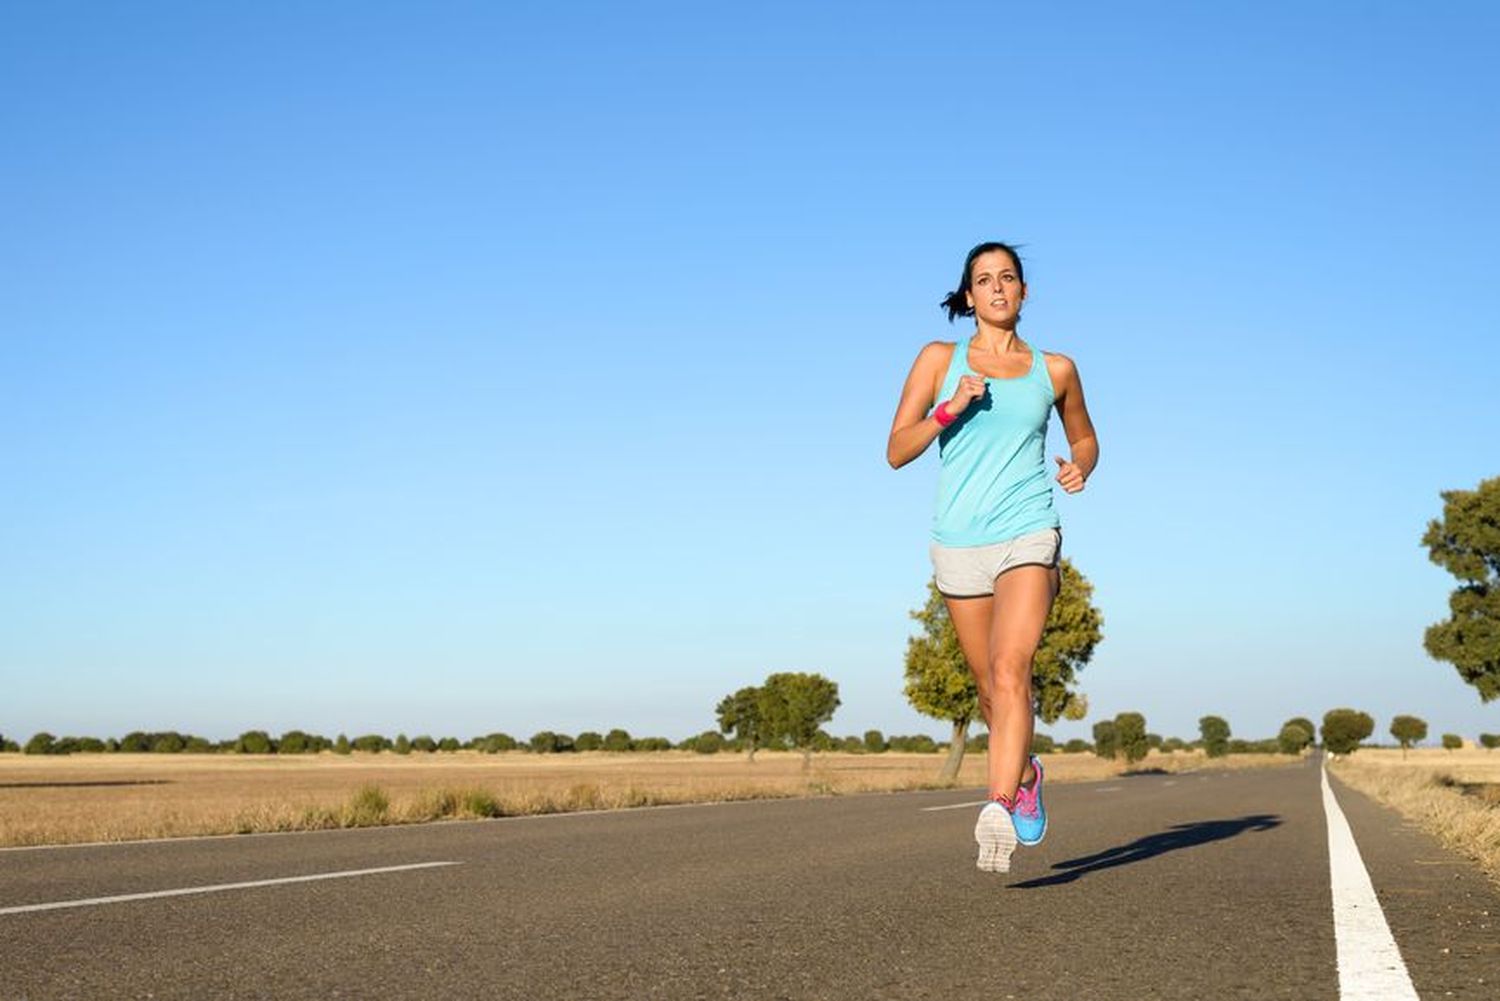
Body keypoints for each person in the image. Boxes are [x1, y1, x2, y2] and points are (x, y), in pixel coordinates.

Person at [886, 241, 1098, 873]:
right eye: (984, 280)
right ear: (969, 296)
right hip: (958, 540)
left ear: (1025, 292)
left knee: (1012, 670)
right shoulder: (938, 359)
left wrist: (1079, 465)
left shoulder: (1054, 368)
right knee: (988, 692)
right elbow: (897, 449)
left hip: (1029, 529)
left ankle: (998, 805)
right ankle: (1027, 772)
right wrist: (950, 409)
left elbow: (1084, 435)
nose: (998, 288)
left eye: (1009, 278)